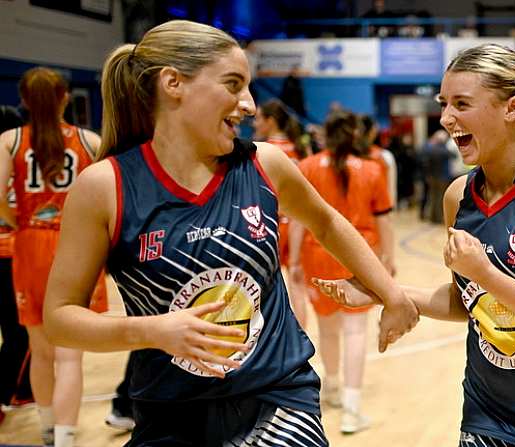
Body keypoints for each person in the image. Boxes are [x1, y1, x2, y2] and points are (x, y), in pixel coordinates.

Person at [41, 20, 417, 447]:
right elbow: (59, 318)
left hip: (279, 400)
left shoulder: (265, 164)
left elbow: (328, 222)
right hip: (170, 412)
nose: (250, 105)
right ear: (173, 84)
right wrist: (152, 330)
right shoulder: (104, 187)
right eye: (233, 84)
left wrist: (391, 292)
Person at [314, 43, 515, 446]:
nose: (447, 118)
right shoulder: (458, 196)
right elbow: (473, 302)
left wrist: (485, 272)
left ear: (512, 108)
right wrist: (385, 293)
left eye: (461, 104)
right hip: (489, 412)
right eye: (444, 103)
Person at [0, 67, 108, 447]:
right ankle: (64, 439)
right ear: (65, 97)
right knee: (70, 356)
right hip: (75, 244)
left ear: (24, 101)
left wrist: (20, 221)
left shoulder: (10, 140)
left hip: (29, 243)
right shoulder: (88, 139)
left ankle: (47, 430)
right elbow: (107, 196)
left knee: (41, 352)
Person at [288, 110, 395, 434]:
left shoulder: (307, 166)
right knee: (355, 331)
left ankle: (331, 387)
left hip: (317, 254)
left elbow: (297, 219)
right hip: (359, 256)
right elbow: (384, 220)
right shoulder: (373, 169)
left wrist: (293, 260)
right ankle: (352, 407)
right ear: (355, 133)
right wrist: (388, 259)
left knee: (328, 327)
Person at [253, 99, 309, 328]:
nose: (254, 122)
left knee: (264, 290)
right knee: (297, 285)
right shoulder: (299, 148)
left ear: (270, 121)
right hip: (298, 224)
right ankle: (302, 335)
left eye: (258, 118)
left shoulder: (263, 151)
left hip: (270, 225)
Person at [0, 103, 30, 427]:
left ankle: (24, 389)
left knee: (18, 332)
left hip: (12, 253)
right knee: (18, 332)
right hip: (11, 254)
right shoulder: (16, 162)